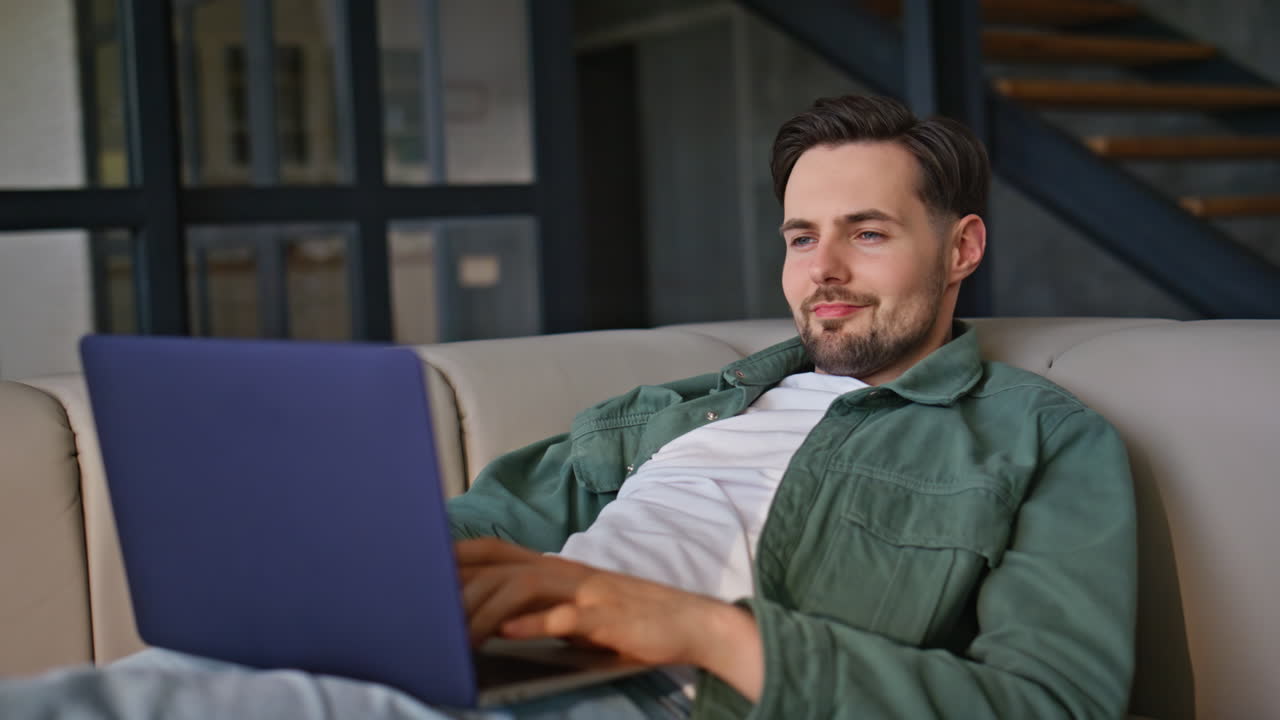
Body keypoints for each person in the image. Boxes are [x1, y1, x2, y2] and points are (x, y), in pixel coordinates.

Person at [0, 94, 1136, 719]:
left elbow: (1049, 705)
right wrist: (334, 579)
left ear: (961, 248)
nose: (821, 269)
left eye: (867, 232)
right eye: (800, 236)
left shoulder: (1039, 439)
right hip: (489, 666)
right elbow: (466, 534)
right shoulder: (677, 408)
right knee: (109, 697)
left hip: (659, 700)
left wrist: (691, 629)